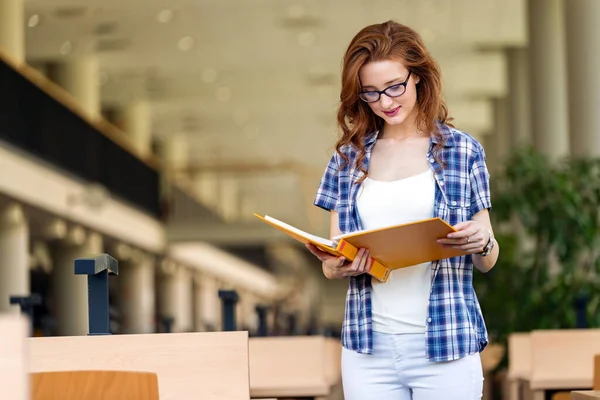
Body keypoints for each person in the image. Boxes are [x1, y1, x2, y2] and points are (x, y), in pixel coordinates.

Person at [306, 21, 499, 400]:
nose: (385, 102)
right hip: (368, 348)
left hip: (447, 343)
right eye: (371, 93)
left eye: (395, 86)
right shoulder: (347, 159)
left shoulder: (462, 151)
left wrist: (482, 242)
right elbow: (332, 260)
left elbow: (488, 259)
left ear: (419, 78)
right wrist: (336, 265)